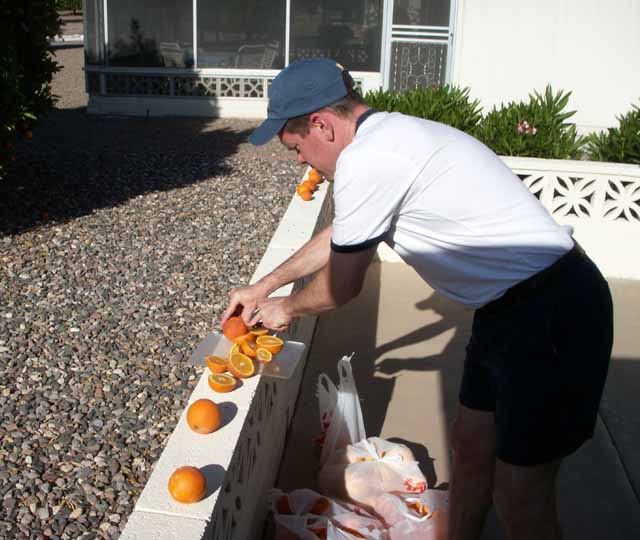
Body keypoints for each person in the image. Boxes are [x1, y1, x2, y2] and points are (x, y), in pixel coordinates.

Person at [219, 58, 613, 540]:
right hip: (508, 308)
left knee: (520, 496)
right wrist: (265, 286)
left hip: (553, 311)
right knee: (471, 445)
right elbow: (343, 235)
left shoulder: (369, 158)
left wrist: (286, 307)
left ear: (321, 124)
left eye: (296, 146)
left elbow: (342, 286)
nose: (300, 160)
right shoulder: (385, 138)